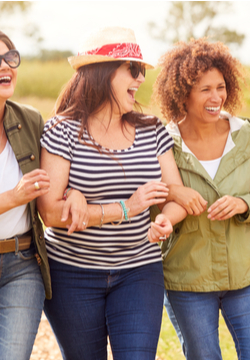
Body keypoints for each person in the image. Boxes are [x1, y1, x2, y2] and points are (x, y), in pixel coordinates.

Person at [37, 27, 186, 360]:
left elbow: (173, 195)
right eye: (132, 69)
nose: (141, 79)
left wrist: (165, 219)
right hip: (72, 274)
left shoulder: (153, 129)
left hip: (139, 269)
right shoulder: (62, 131)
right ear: (103, 73)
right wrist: (127, 208)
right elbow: (49, 213)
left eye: (142, 70)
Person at [152, 38, 250, 360]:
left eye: (221, 87)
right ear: (182, 93)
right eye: (204, 89)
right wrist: (170, 199)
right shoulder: (162, 143)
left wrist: (245, 204)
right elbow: (153, 201)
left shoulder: (247, 135)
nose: (216, 97)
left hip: (247, 275)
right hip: (188, 279)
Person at [0, 31, 51, 360]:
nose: (5, 66)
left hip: (21, 264)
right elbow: (20, 195)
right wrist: (13, 197)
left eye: (9, 57)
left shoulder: (29, 120)